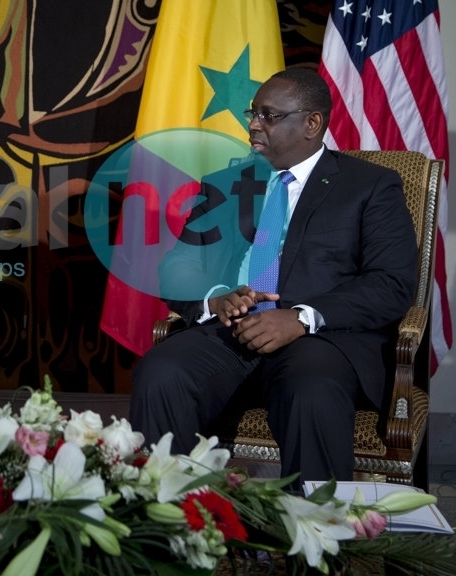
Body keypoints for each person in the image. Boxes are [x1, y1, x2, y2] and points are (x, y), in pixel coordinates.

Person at [129, 67, 418, 483]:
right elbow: (178, 265)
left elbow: (390, 283)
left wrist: (301, 317)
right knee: (161, 372)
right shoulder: (227, 183)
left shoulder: (370, 187)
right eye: (253, 114)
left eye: (269, 115)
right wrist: (216, 298)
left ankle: (317, 531)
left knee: (311, 391)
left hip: (322, 340)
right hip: (232, 332)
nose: (253, 125)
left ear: (311, 123)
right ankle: (173, 524)